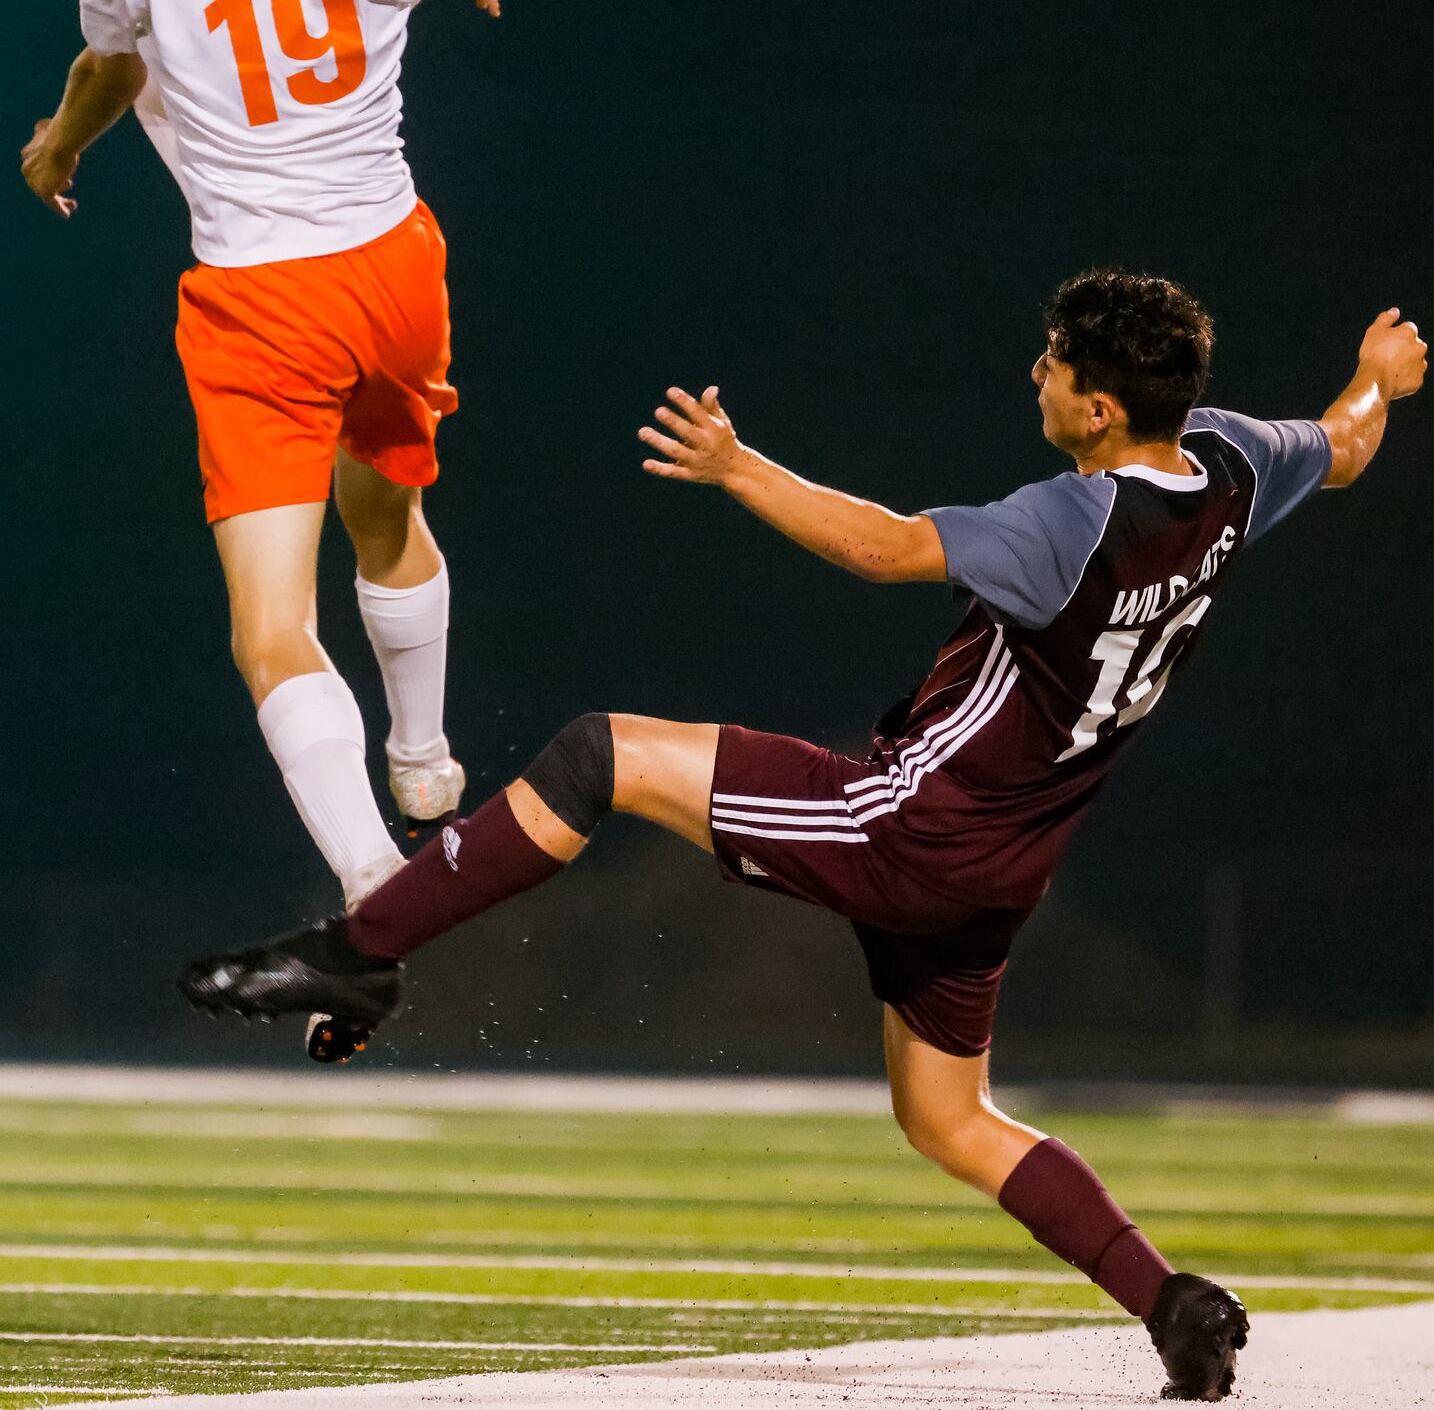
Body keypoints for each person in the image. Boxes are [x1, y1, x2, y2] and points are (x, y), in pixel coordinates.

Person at [180, 269, 1425, 1399]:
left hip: (908, 826)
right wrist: (1378, 377)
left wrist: (739, 467)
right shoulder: (1235, 465)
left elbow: (887, 546)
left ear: (1099, 409)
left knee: (598, 752)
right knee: (949, 1120)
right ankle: (1172, 1303)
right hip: (1007, 871)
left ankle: (366, 944)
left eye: (1052, 362)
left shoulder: (1072, 522)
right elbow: (1352, 443)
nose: (1034, 374)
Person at [22, 0, 497, 1055]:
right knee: (388, 510)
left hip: (259, 295)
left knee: (270, 630)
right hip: (395, 262)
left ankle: (370, 887)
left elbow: (115, 64)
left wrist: (56, 144)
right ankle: (424, 756)